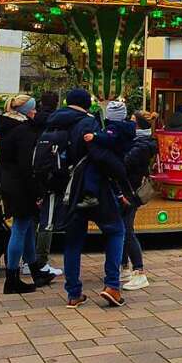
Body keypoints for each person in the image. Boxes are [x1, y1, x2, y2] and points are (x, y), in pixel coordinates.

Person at [46, 88, 126, 308]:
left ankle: (73, 293)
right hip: (93, 187)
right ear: (84, 103)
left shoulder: (51, 122)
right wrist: (119, 174)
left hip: (66, 189)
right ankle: (112, 285)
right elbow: (99, 155)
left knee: (73, 242)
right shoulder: (87, 124)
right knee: (116, 230)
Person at [0, 93, 54, 294]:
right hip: (21, 184)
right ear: (26, 111)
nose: (36, 112)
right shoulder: (23, 132)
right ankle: (12, 277)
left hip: (9, 181)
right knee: (20, 227)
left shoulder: (6, 127)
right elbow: (28, 164)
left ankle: (36, 270)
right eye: (33, 109)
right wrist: (37, 189)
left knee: (28, 225)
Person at [98, 100, 149, 291]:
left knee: (127, 230)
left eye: (133, 121)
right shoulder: (134, 141)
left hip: (131, 191)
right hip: (127, 188)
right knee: (122, 228)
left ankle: (139, 270)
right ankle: (124, 266)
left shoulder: (141, 145)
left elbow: (123, 165)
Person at [28, 91, 63, 280]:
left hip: (30, 175)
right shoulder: (56, 123)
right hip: (48, 176)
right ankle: (41, 263)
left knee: (31, 219)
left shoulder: (31, 121)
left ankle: (28, 260)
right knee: (46, 222)